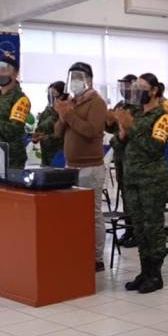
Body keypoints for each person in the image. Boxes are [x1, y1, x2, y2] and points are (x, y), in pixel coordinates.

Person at [112, 73, 168, 293]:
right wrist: (121, 133)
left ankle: (155, 275)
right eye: (135, 87)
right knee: (138, 227)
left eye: (141, 87)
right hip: (132, 179)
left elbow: (154, 148)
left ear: (154, 91)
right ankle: (144, 270)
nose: (136, 90)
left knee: (152, 227)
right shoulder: (134, 113)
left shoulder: (163, 117)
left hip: (152, 180)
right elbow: (117, 145)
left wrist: (131, 128)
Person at [53, 62, 110, 272]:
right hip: (71, 166)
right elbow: (58, 132)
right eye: (72, 77)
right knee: (74, 214)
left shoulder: (97, 102)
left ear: (89, 79)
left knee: (93, 214)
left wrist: (68, 115)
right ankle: (78, 250)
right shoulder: (72, 102)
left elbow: (91, 130)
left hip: (91, 167)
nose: (75, 81)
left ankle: (96, 257)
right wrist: (62, 113)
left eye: (79, 77)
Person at [108, 74, 139, 248]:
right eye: (123, 85)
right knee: (125, 195)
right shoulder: (121, 105)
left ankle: (136, 232)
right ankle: (128, 229)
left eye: (128, 86)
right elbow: (112, 127)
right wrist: (109, 118)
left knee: (134, 198)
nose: (124, 89)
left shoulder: (138, 107)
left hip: (132, 157)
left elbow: (132, 131)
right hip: (120, 157)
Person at [33, 81, 65, 166]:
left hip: (59, 156)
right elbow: (40, 127)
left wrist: (45, 138)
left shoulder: (66, 110)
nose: (50, 96)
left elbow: (65, 135)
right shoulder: (47, 109)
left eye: (53, 93)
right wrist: (36, 136)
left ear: (62, 95)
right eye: (49, 93)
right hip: (45, 156)